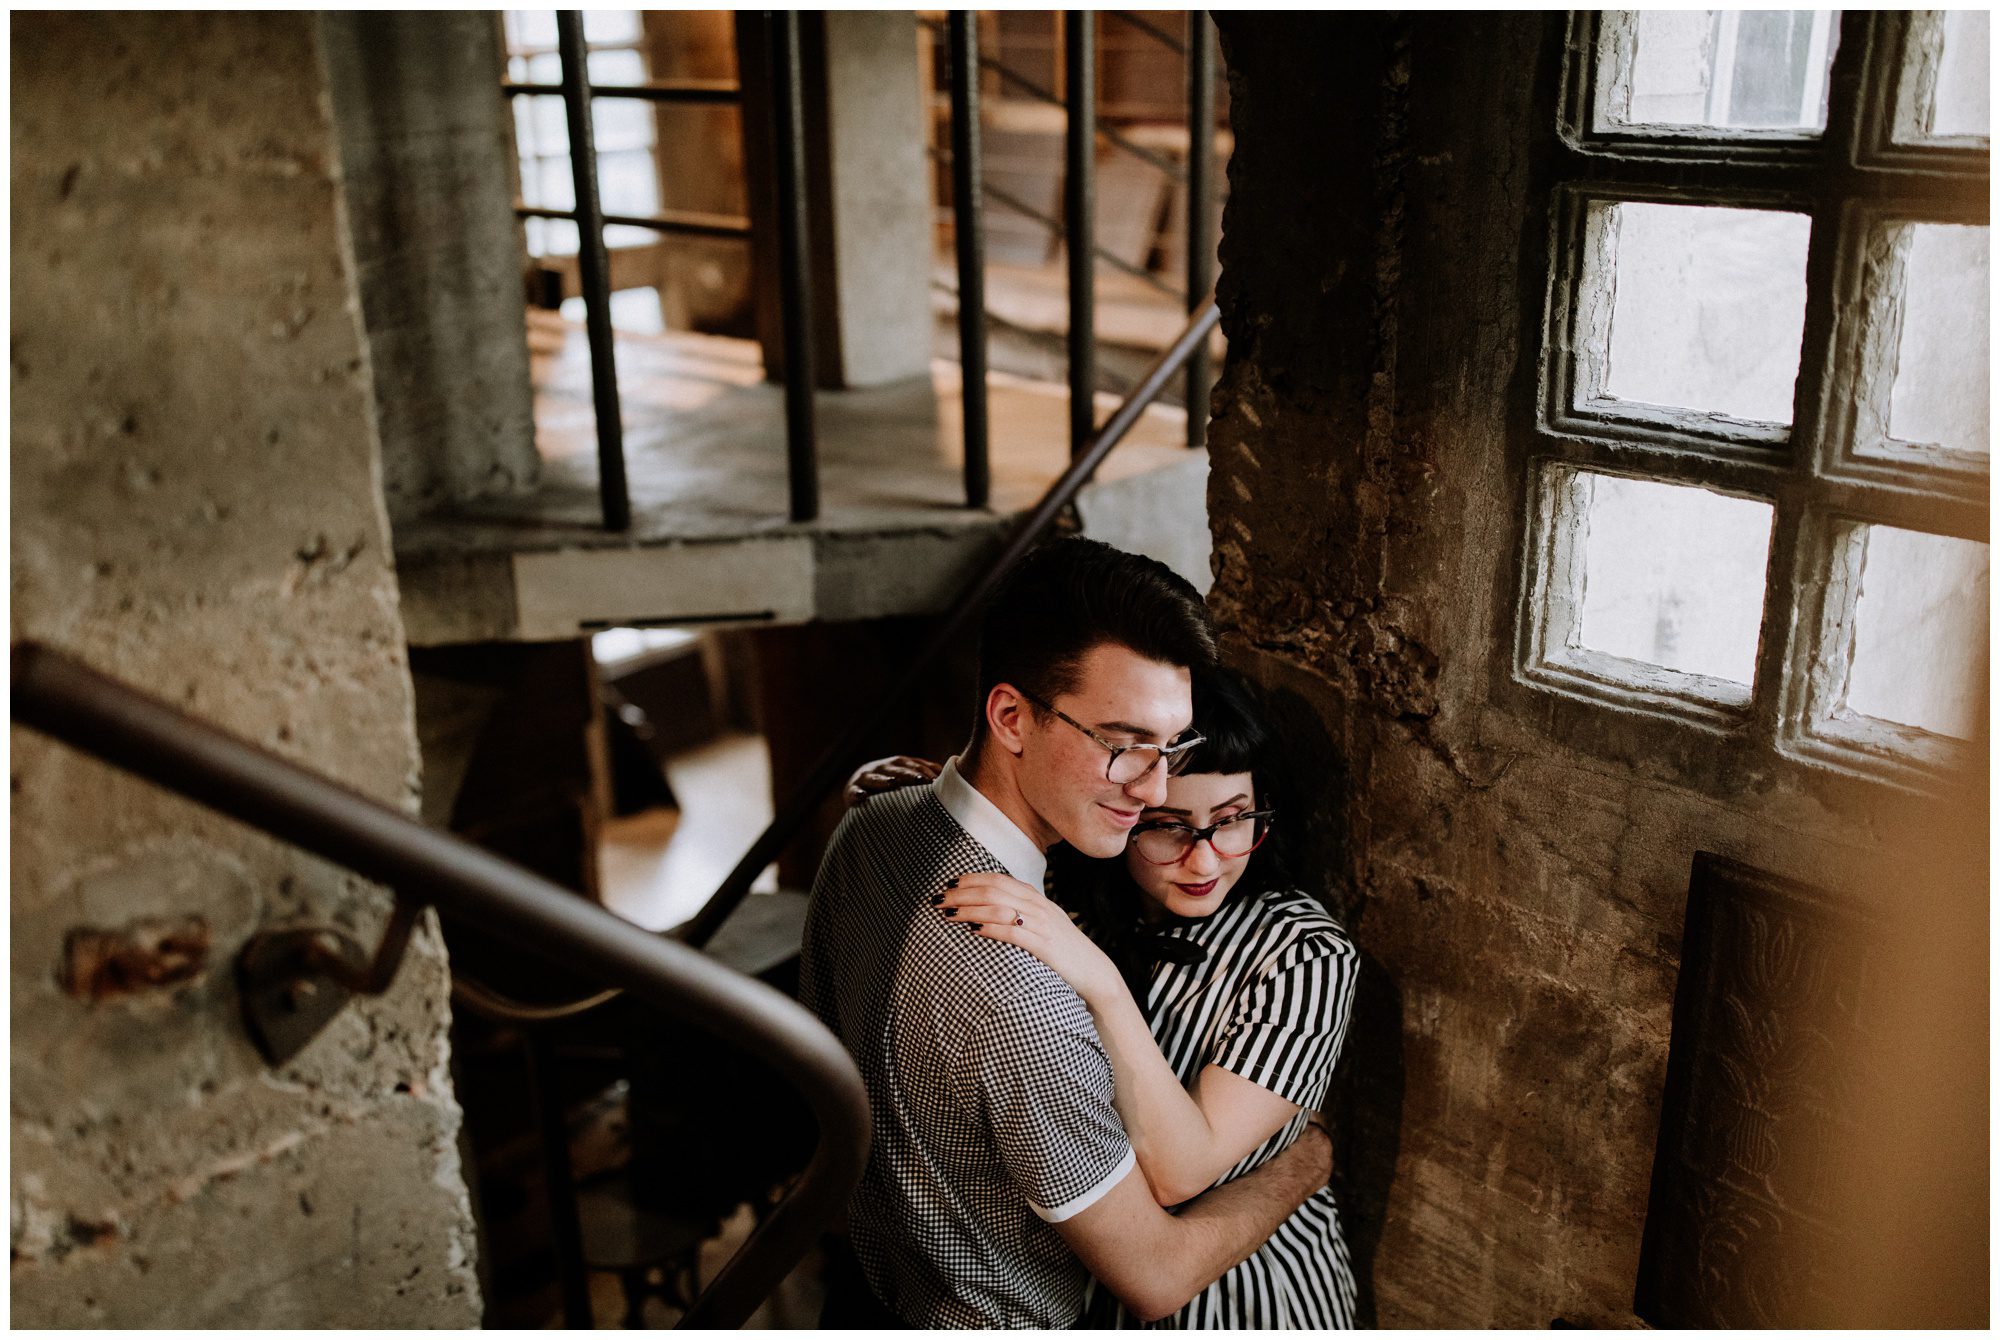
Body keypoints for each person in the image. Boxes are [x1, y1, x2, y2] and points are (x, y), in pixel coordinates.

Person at [799, 537, 1334, 1328]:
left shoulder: (868, 825)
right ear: (1011, 717)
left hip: (858, 1287)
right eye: (1122, 747)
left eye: (1169, 746)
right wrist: (1308, 1163)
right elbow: (1154, 1276)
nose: (1153, 788)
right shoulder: (1026, 999)